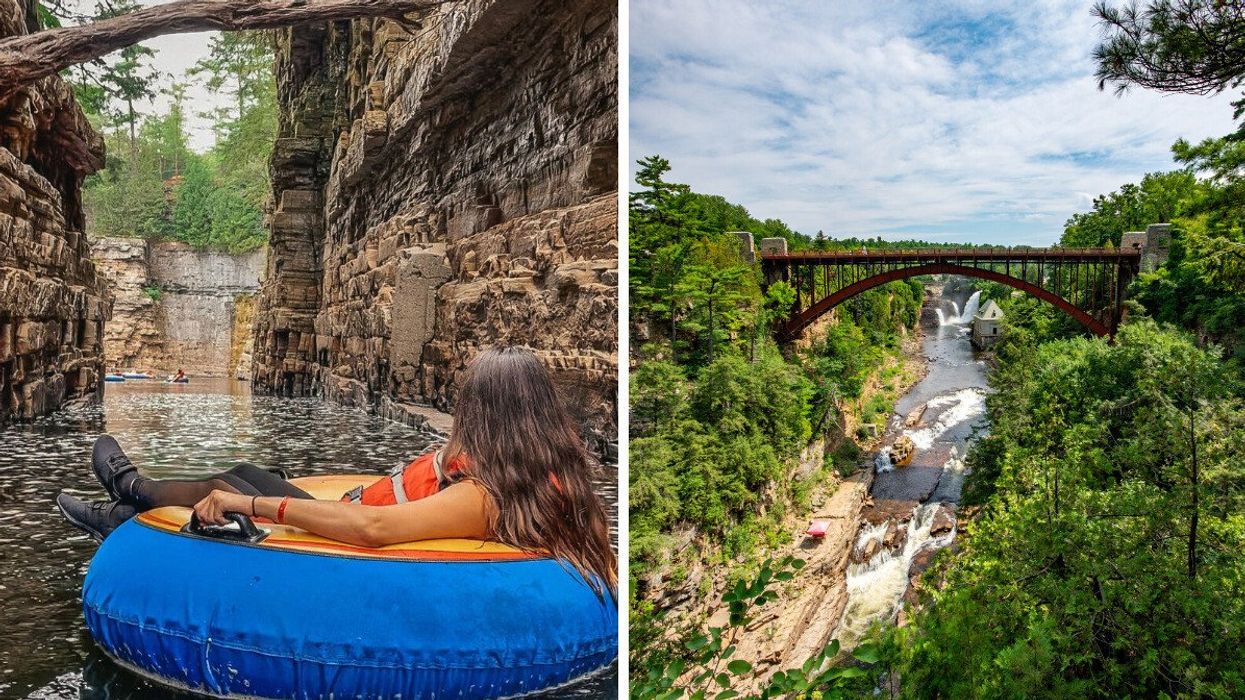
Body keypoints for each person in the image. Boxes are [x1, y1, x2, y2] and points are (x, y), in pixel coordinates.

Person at [56, 346, 617, 594]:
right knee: (246, 466)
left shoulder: (485, 495)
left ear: (488, 418)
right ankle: (127, 503)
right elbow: (606, 556)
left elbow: (373, 531)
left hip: (354, 531)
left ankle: (125, 501)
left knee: (231, 488)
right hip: (359, 505)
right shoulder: (554, 476)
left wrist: (250, 506)